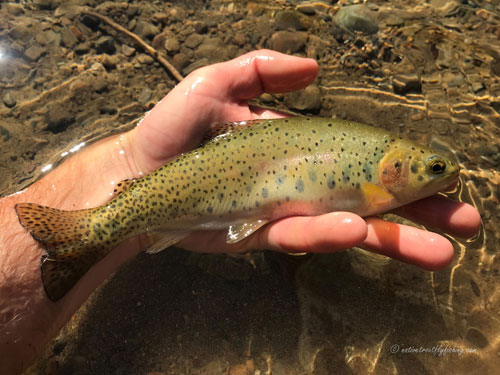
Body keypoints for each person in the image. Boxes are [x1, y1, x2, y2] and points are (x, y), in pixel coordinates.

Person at [0, 50, 480, 374]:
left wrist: (124, 165)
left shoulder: (383, 173)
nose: (441, 174)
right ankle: (91, 232)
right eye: (433, 169)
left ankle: (90, 232)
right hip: (181, 190)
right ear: (393, 168)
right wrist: (128, 164)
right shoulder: (379, 177)